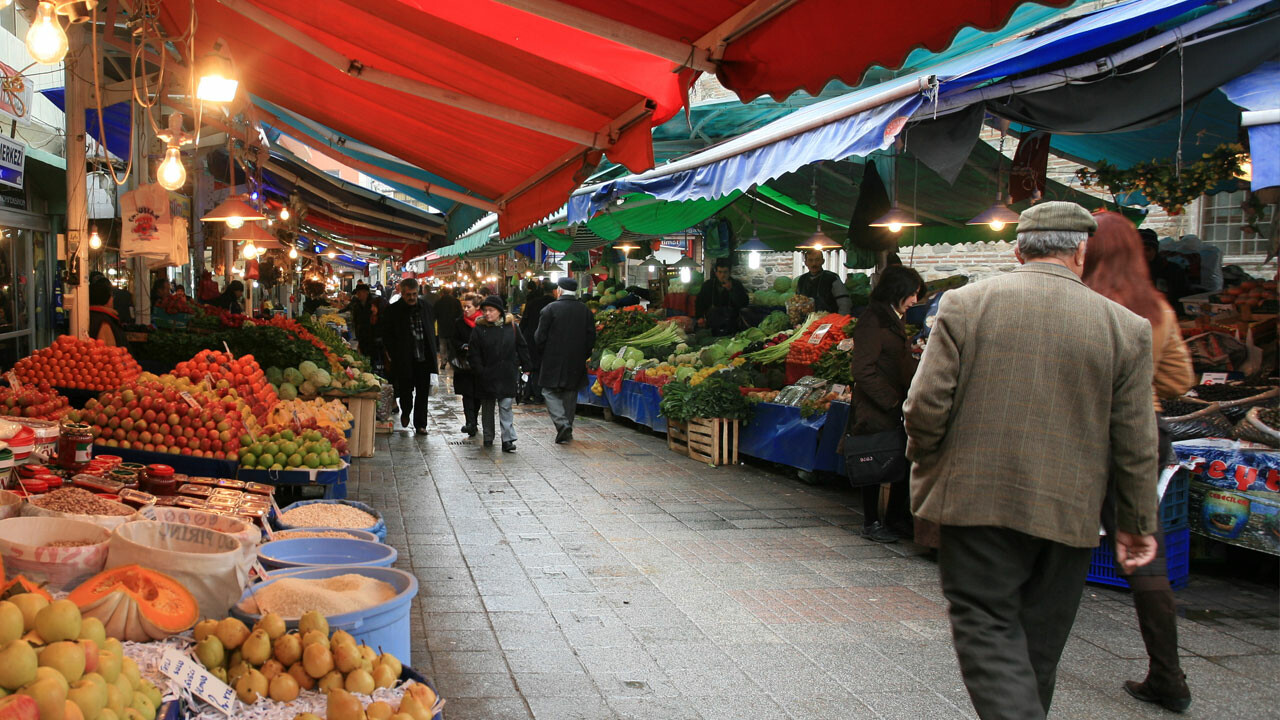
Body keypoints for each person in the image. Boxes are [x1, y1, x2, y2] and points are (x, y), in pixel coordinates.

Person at [904, 201, 1159, 720]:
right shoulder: (1126, 327)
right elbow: (1136, 441)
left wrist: (929, 462)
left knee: (987, 626)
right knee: (1039, 648)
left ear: (1018, 250)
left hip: (976, 500)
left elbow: (923, 407)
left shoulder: (964, 304)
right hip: (1070, 510)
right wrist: (1136, 525)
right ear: (1081, 253)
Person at [1084, 212, 1195, 713]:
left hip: (1078, 433)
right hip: (1141, 436)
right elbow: (1177, 381)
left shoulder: (1080, 303)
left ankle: (1024, 659)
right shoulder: (1158, 310)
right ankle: (1168, 675)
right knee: (1142, 547)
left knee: (1057, 539)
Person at [846, 265, 923, 544]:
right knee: (874, 461)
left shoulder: (894, 317)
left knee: (898, 461)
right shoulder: (873, 320)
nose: (916, 300)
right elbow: (862, 369)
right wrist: (890, 401)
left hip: (895, 403)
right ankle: (871, 522)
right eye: (912, 294)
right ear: (897, 291)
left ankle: (895, 518)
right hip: (876, 406)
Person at [536, 277, 595, 444]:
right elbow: (591, 337)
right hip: (576, 359)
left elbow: (540, 337)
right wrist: (583, 354)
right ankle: (567, 428)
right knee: (570, 393)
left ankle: (562, 424)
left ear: (559, 290)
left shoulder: (550, 309)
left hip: (552, 358)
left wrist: (543, 353)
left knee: (548, 391)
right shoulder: (585, 310)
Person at [469, 296, 531, 452]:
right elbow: (473, 353)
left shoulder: (512, 327)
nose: (487, 314)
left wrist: (527, 366)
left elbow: (522, 347)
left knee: (506, 406)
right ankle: (488, 436)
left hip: (506, 373)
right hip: (487, 374)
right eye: (485, 311)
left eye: (491, 310)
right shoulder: (479, 329)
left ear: (500, 311)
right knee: (488, 407)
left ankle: (508, 439)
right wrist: (480, 370)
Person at [382, 278, 438, 435]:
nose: (412, 297)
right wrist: (393, 354)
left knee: (422, 393)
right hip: (404, 358)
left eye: (414, 294)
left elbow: (430, 331)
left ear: (418, 292)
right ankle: (406, 411)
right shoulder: (393, 310)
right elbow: (387, 335)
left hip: (424, 358)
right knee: (406, 390)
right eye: (408, 295)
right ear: (402, 292)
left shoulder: (426, 307)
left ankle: (421, 424)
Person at [449, 293, 482, 436]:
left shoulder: (483, 323)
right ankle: (470, 422)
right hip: (464, 364)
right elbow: (453, 340)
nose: (466, 310)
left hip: (480, 364)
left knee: (478, 395)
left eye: (469, 307)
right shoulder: (459, 322)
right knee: (467, 394)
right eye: (464, 307)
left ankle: (473, 419)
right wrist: (462, 346)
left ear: (477, 307)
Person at [519, 280, 554, 404]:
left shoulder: (532, 304)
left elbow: (524, 322)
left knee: (530, 367)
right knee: (539, 368)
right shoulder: (553, 304)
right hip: (545, 340)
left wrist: (519, 337)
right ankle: (538, 395)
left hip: (530, 338)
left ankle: (527, 394)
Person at [1141, 229, 1192, 311]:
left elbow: (1183, 299)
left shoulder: (1172, 270)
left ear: (1155, 249)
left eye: (1148, 249)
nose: (1144, 254)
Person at [695, 259, 749, 335]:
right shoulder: (708, 285)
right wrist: (700, 317)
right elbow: (700, 302)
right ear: (716, 273)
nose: (722, 275)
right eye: (720, 272)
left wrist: (732, 290)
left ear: (729, 273)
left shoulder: (736, 285)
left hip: (732, 326)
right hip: (712, 325)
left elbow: (744, 303)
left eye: (725, 272)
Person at [797, 250, 852, 314]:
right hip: (807, 321)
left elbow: (844, 303)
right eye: (810, 260)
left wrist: (841, 320)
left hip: (829, 321)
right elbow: (797, 302)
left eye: (817, 260)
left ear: (823, 261)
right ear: (806, 263)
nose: (814, 263)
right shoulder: (802, 280)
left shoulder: (832, 278)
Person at [89, 276, 128, 347]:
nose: (113, 299)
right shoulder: (103, 321)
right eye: (111, 296)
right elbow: (109, 350)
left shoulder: (91, 316)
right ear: (106, 299)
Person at [343, 283, 379, 360]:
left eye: (359, 292)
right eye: (357, 293)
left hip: (373, 336)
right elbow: (356, 321)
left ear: (366, 292)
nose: (358, 295)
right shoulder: (357, 305)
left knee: (373, 357)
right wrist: (358, 338)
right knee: (364, 356)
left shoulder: (374, 303)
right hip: (362, 335)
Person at [433, 287, 463, 353]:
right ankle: (453, 360)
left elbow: (434, 315)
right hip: (453, 327)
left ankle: (444, 361)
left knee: (442, 345)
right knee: (452, 345)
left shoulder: (438, 302)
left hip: (442, 328)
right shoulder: (456, 301)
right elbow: (461, 314)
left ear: (442, 293)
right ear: (450, 292)